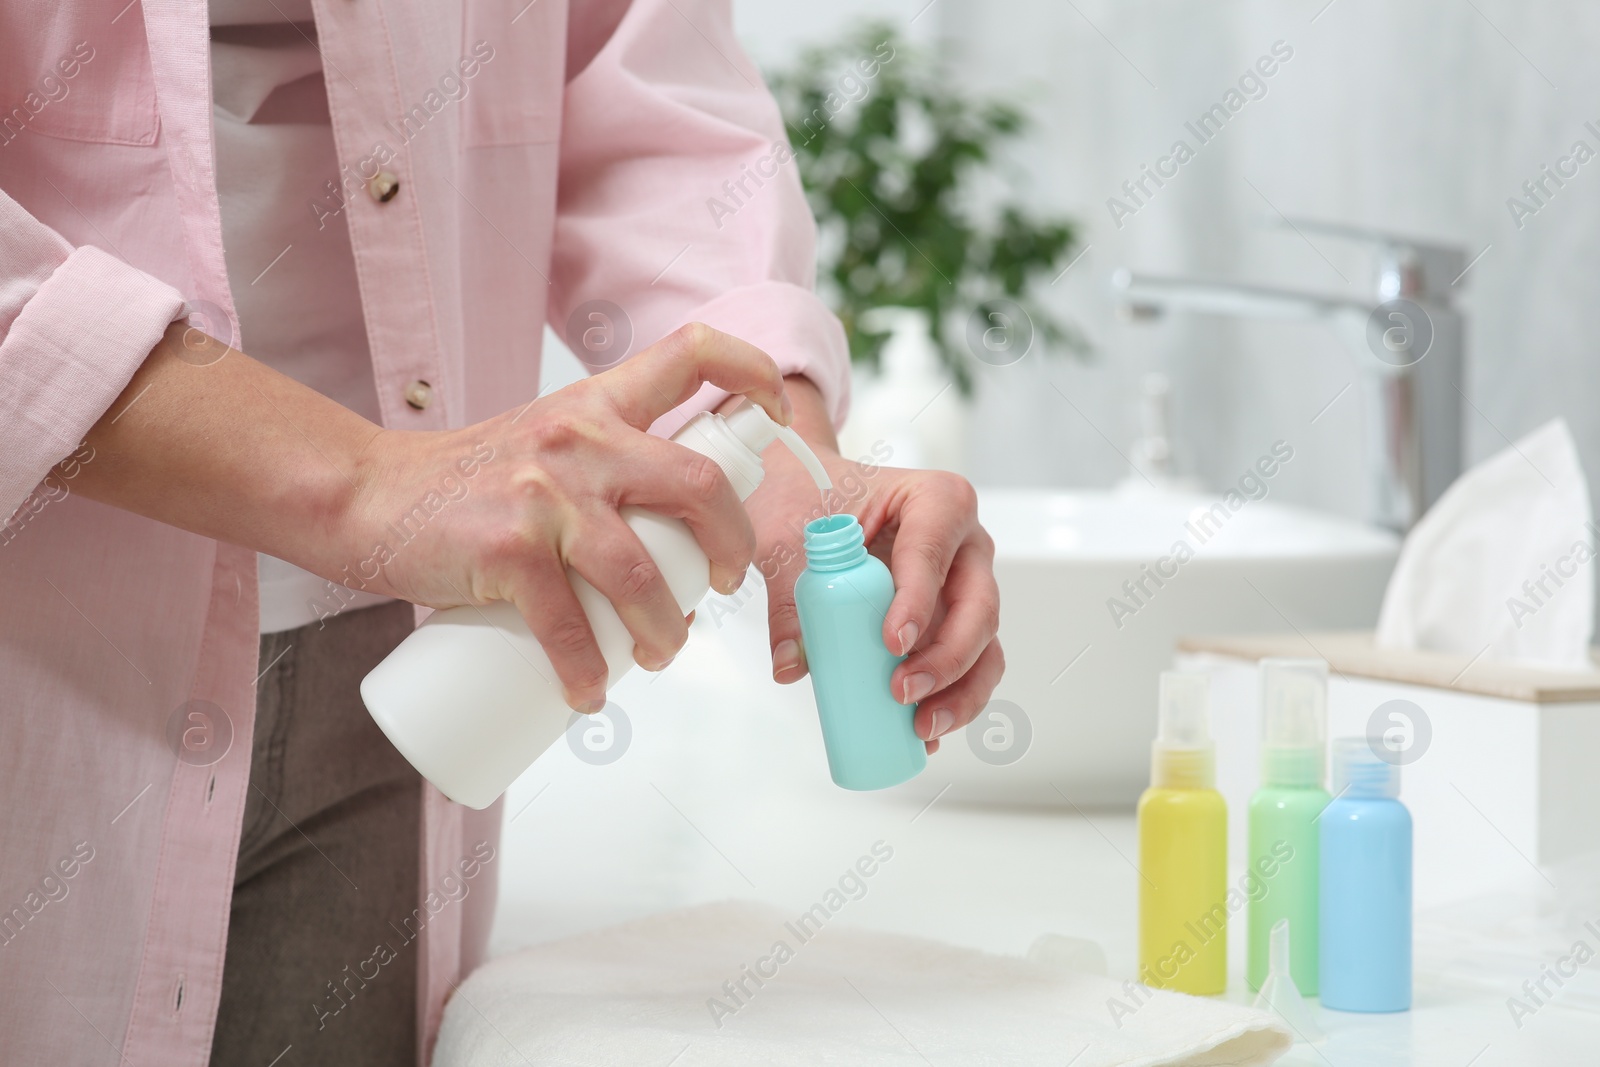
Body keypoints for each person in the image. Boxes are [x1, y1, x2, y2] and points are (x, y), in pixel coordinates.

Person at [0, 1, 1003, 1063]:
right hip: (48, 649)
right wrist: (363, 483)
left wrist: (768, 435)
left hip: (414, 645)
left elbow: (633, 84)